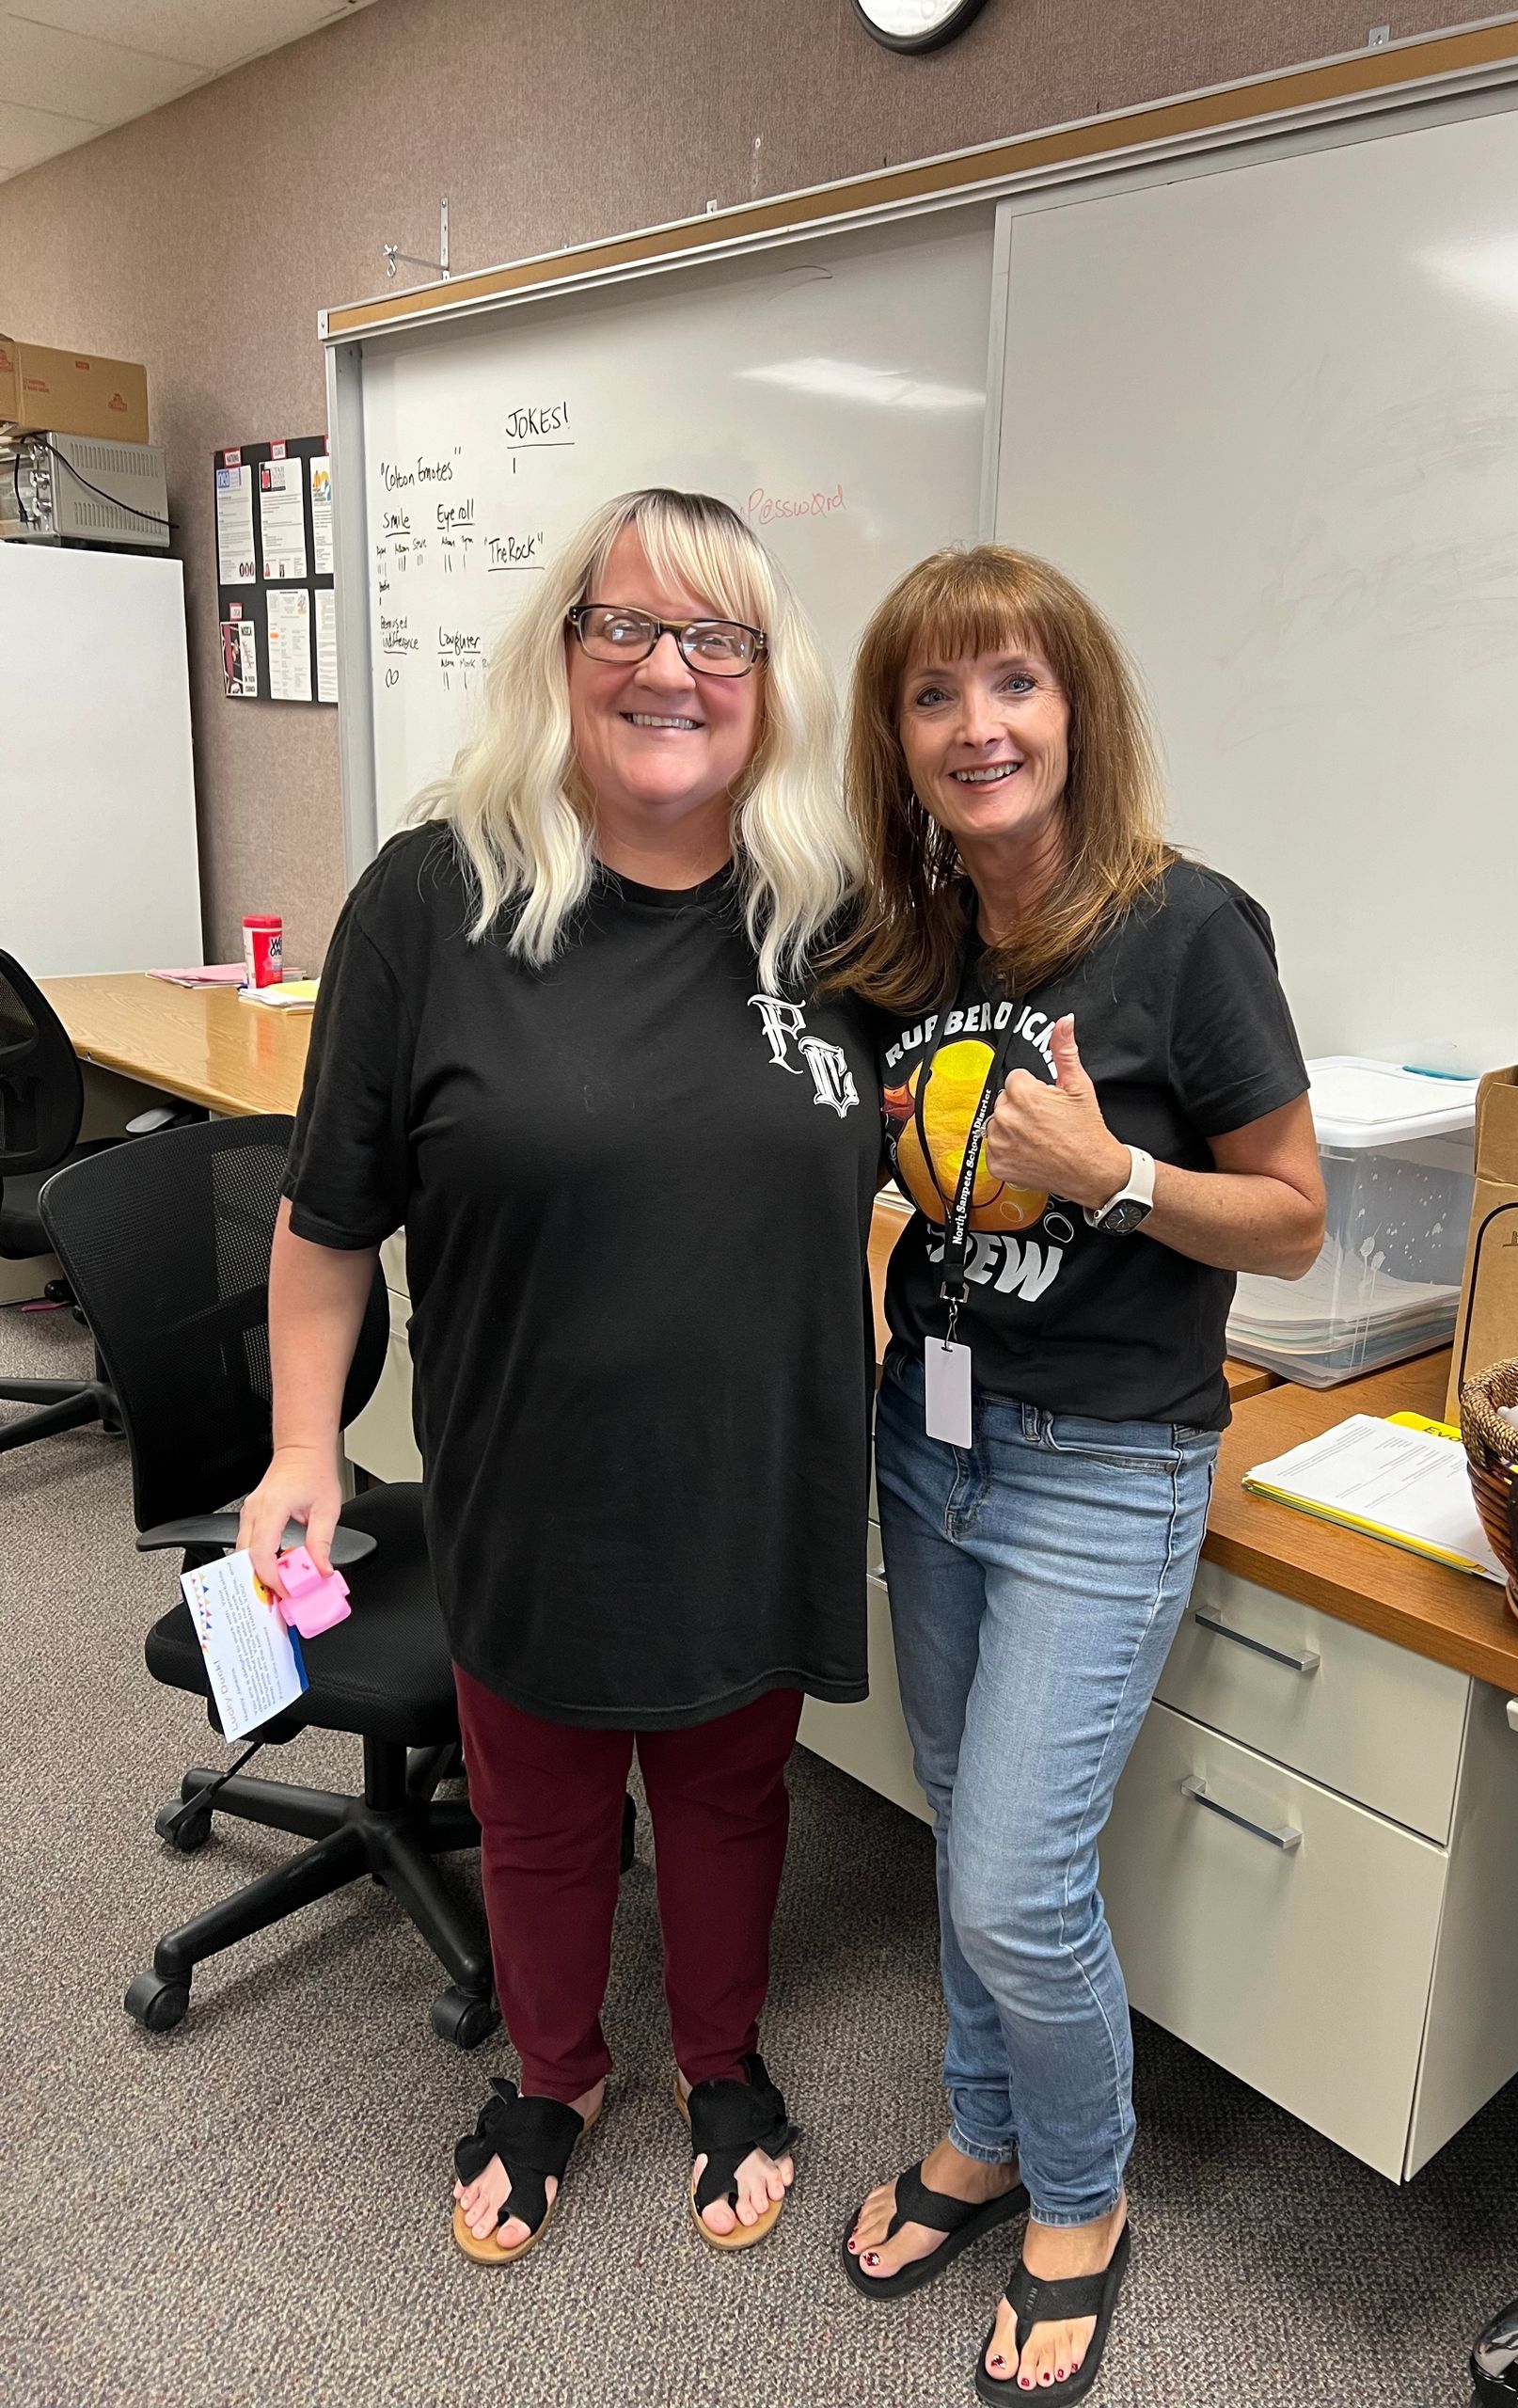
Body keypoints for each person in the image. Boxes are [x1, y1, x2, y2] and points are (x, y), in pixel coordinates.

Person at [239, 488, 880, 2263]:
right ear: (563, 650)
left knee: (734, 1790)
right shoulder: (435, 898)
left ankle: (719, 2059)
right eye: (630, 628)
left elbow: (946, 1136)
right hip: (532, 1471)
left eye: (720, 637)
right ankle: (554, 2074)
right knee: (537, 1801)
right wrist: (306, 1443)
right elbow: (326, 1216)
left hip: (759, 1471)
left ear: (768, 676)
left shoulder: (837, 922)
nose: (672, 669)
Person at [832, 545, 1325, 2401]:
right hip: (933, 1439)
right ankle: (979, 2129)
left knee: (1019, 1879)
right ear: (900, 737)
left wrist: (1110, 1171)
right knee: (965, 1830)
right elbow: (889, 1167)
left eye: (1015, 684)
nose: (981, 727)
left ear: (1076, 709)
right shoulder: (909, 942)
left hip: (1103, 1464)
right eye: (938, 695)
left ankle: (1085, 2192)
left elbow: (1289, 1217)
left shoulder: (1190, 929)